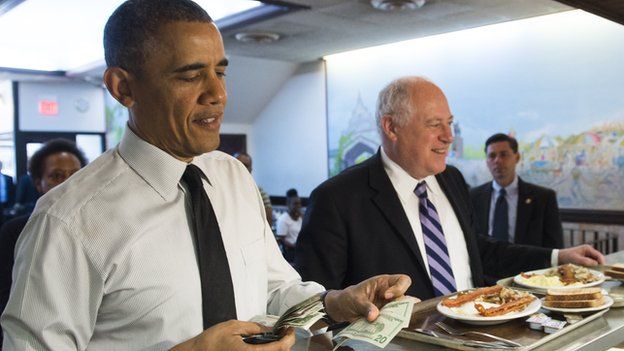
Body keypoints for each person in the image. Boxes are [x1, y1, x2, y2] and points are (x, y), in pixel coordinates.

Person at [1, 1, 412, 350]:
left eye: (221, 71)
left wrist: (337, 301)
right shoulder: (69, 221)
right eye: (190, 75)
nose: (217, 93)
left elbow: (273, 288)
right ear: (123, 88)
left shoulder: (232, 176)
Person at [296, 76, 604, 300]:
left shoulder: (452, 180)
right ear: (392, 127)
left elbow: (478, 252)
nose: (448, 137)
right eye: (434, 125)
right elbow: (317, 303)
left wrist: (556, 257)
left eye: (450, 123)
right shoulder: (336, 199)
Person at [0, 138, 87, 347]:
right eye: (56, 176)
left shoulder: (99, 227)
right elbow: (6, 295)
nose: (67, 183)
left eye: (75, 175)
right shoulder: (17, 231)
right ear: (39, 183)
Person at [470, 133, 564, 248]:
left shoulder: (543, 198)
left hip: (530, 265)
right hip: (484, 265)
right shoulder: (473, 197)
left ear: (517, 157)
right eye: (492, 156)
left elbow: (555, 246)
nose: (497, 161)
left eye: (504, 155)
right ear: (487, 160)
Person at [235, 152, 273, 227]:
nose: (243, 168)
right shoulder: (224, 189)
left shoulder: (259, 192)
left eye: (246, 166)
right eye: (239, 164)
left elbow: (268, 221)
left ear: (251, 169)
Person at [276, 189, 302, 262]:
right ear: (288, 204)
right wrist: (295, 246)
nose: (298, 206)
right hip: (291, 251)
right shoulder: (283, 220)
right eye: (295, 204)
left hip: (300, 249)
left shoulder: (301, 218)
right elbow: (281, 240)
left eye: (299, 203)